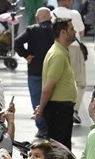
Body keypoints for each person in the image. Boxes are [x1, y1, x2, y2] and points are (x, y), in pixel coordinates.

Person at [31, 18, 77, 150]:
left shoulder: (62, 51)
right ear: (63, 32)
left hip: (62, 109)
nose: (74, 32)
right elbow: (48, 88)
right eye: (71, 29)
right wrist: (40, 110)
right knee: (59, 151)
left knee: (63, 149)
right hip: (58, 110)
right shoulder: (58, 55)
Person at [15, 7, 54, 137]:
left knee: (36, 99)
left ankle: (42, 127)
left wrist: (26, 55)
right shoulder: (56, 30)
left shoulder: (32, 30)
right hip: (52, 71)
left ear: (37, 18)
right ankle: (51, 125)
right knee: (52, 98)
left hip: (35, 70)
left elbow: (17, 42)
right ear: (50, 18)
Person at [52, 0, 87, 126]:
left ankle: (61, 108)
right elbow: (81, 31)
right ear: (67, 1)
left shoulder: (51, 14)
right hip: (73, 49)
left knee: (58, 80)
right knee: (79, 81)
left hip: (56, 49)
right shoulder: (74, 14)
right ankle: (74, 110)